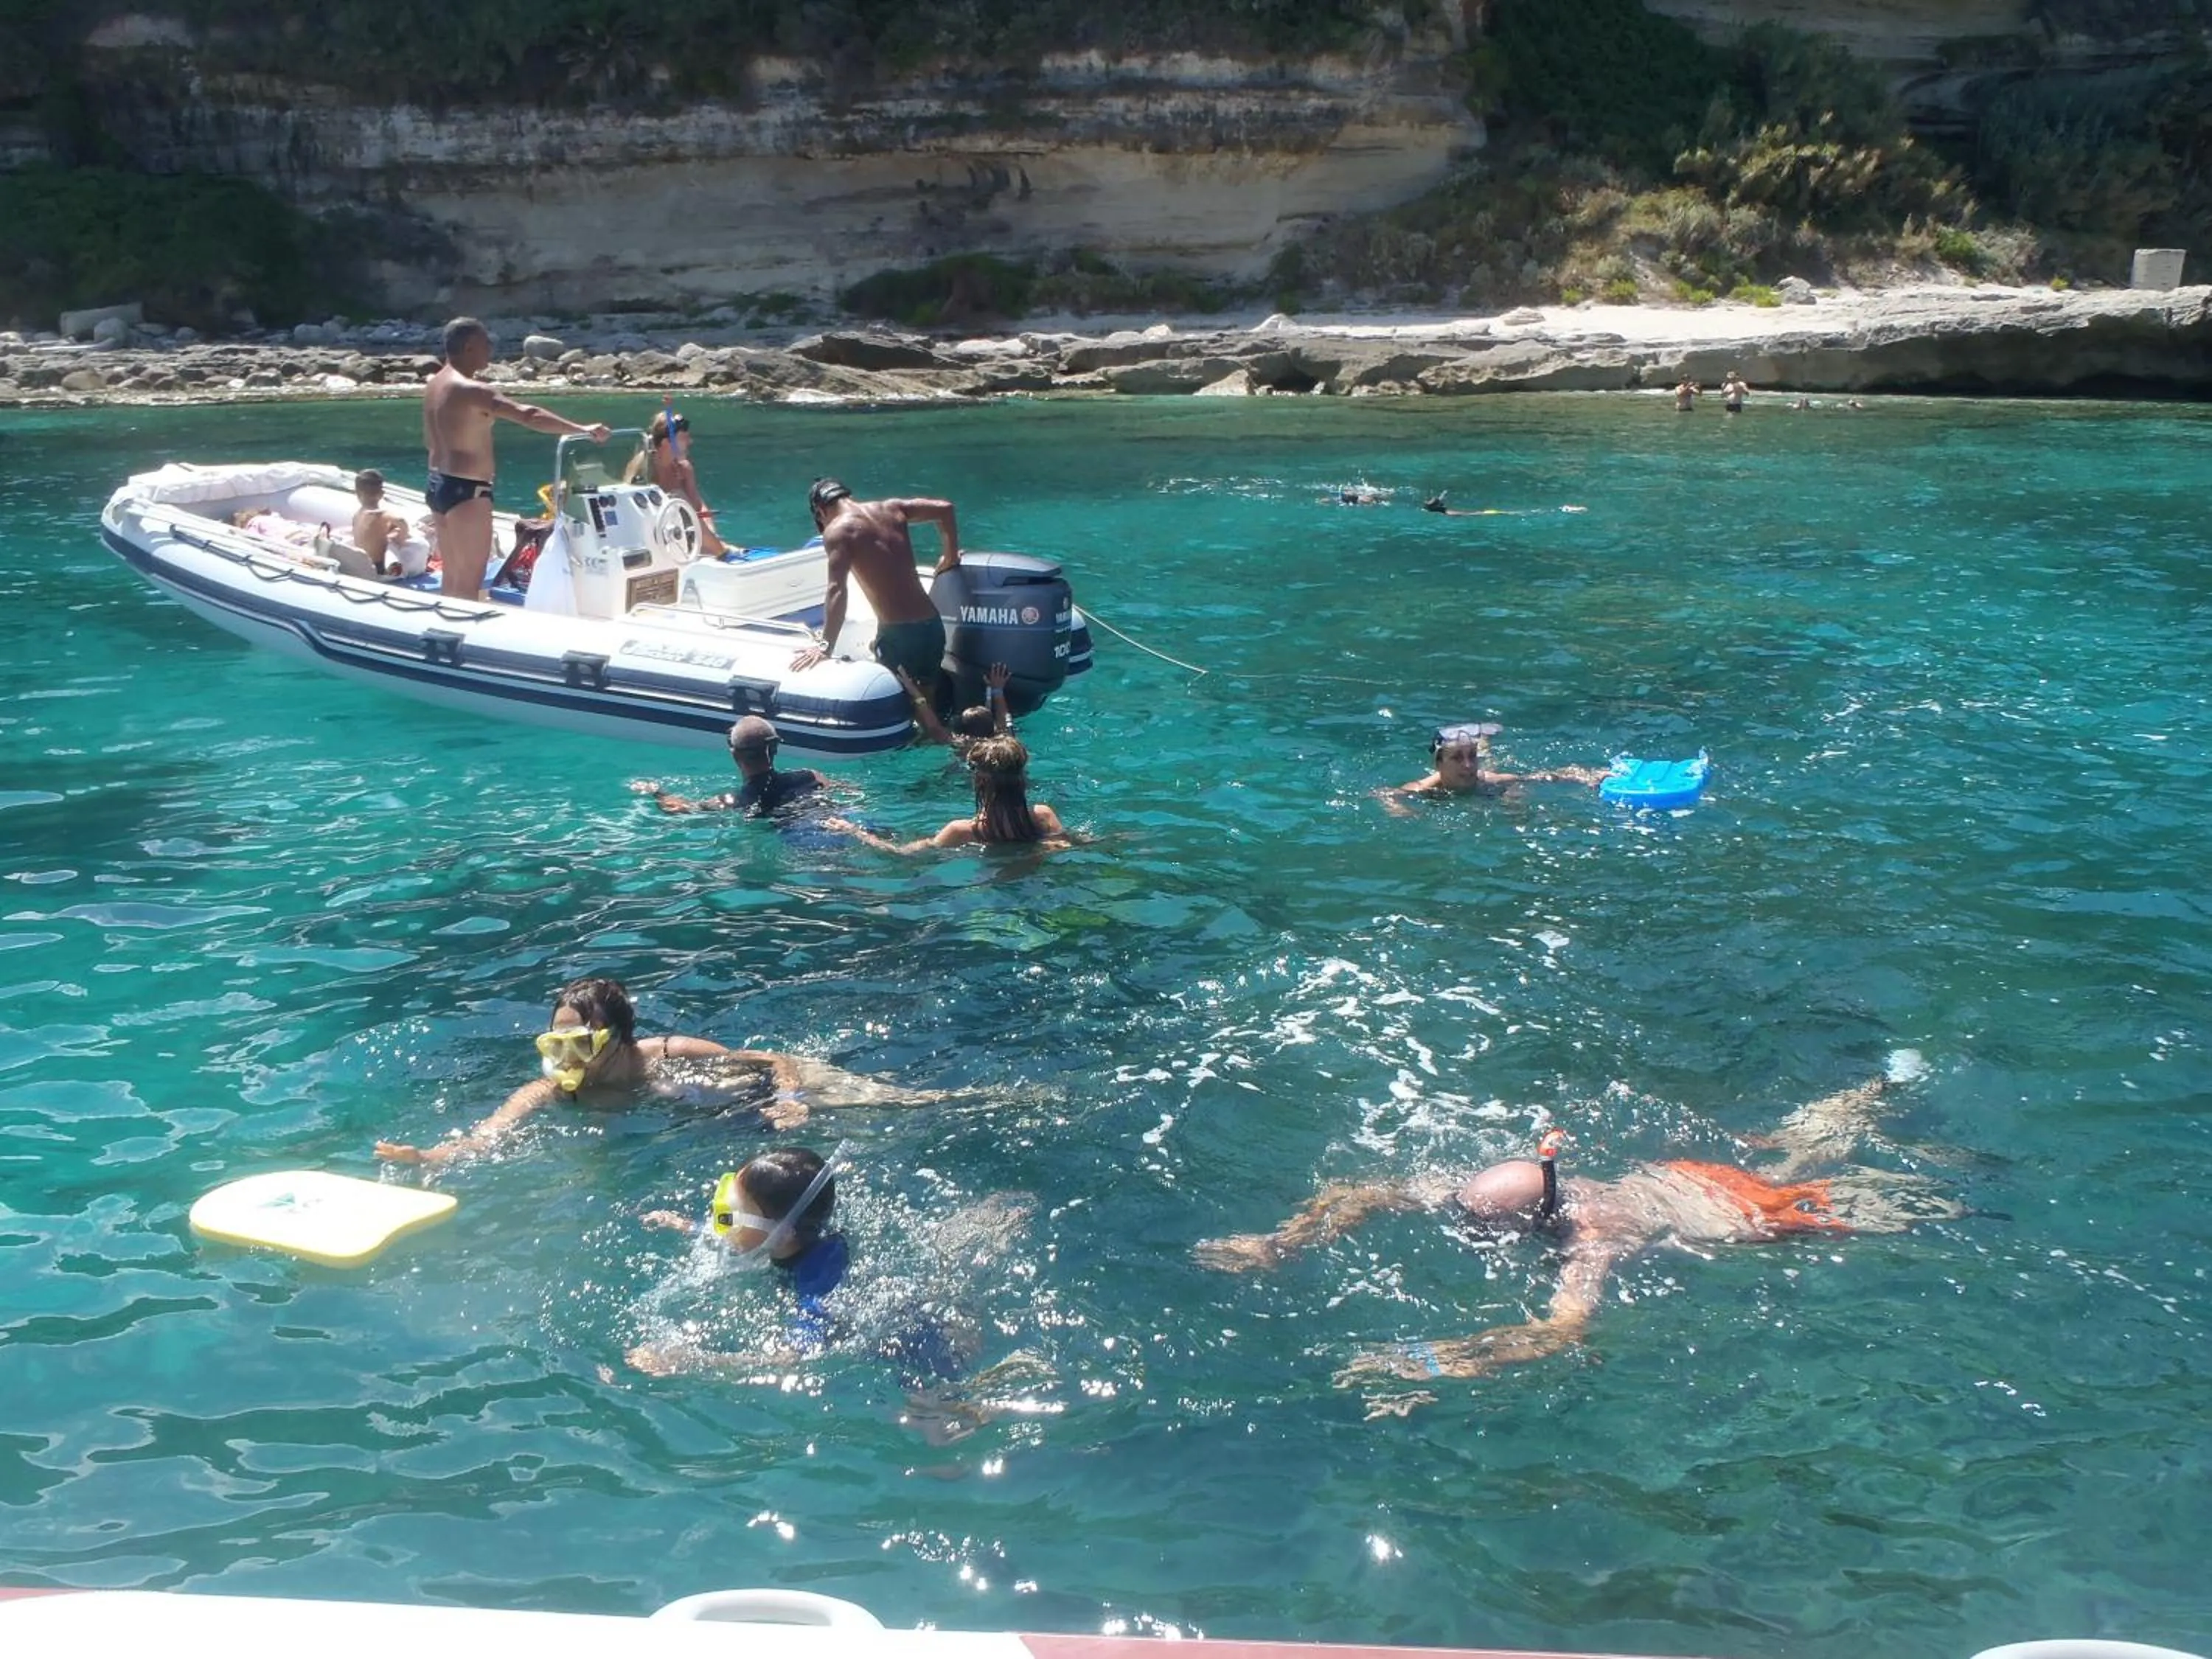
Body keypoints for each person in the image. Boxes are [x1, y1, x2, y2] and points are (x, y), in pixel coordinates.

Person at [1196, 1074, 1961, 1411]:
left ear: (1535, 1216)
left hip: (1741, 1222)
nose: (1470, 1228)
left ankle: (1917, 1150)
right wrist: (1279, 1242)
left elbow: (1562, 1334)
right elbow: (1362, 1189)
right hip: (1686, 1174)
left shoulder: (1595, 1236)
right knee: (1782, 1161)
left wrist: (1425, 1361)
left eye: (1483, 1229)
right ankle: (1870, 1095)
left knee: (1853, 1202)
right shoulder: (1521, 1182)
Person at [372, 977, 819, 1165]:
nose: (570, 1058)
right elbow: (490, 1135)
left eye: (582, 1043)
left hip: (764, 1099)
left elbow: (775, 1061)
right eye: (557, 1044)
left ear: (619, 1038)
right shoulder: (556, 1090)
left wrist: (790, 1101)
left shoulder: (670, 1053)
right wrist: (431, 1157)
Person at [422, 316, 611, 600]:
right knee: (469, 583)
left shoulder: (435, 386)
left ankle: (441, 635)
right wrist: (580, 429)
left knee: (453, 576)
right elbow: (527, 414)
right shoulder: (471, 390)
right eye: (486, 343)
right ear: (470, 346)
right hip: (467, 492)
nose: (490, 350)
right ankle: (461, 640)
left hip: (438, 484)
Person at [786, 480, 961, 712]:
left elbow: (836, 590)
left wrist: (825, 646)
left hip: (900, 636)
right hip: (931, 626)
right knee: (927, 703)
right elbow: (945, 508)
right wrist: (950, 556)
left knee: (900, 707)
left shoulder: (838, 531)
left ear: (820, 511)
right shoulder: (891, 508)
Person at [827, 735, 1069, 852]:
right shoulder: (1043, 817)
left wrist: (855, 832)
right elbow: (1066, 847)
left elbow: (903, 855)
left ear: (980, 781)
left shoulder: (963, 831)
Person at [1379, 723, 1605, 815]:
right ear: (1438, 764)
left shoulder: (1489, 780)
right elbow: (1383, 793)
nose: (1468, 765)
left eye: (1471, 756)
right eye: (1457, 758)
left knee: (1489, 768)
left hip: (1486, 781)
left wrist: (1588, 776)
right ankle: (1484, 739)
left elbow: (1542, 776)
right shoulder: (1425, 789)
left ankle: (1484, 741)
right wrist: (1398, 809)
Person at [634, 716, 827, 818]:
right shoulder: (812, 776)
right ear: (775, 749)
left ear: (735, 755)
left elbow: (677, 808)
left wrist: (656, 792)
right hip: (830, 821)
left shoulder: (733, 801)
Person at [642, 409, 728, 557]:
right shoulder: (644, 470)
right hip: (660, 541)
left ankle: (717, 548)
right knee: (677, 496)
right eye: (684, 438)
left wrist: (711, 532)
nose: (690, 442)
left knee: (680, 497)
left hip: (690, 537)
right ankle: (719, 551)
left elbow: (699, 506)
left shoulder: (683, 468)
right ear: (666, 442)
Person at [901, 662, 1012, 750]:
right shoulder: (1000, 741)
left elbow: (934, 727)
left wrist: (914, 692)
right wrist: (998, 690)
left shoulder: (962, 743)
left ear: (963, 731)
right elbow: (1003, 719)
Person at [349, 470, 421, 577]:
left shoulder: (358, 515)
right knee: (420, 543)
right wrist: (402, 538)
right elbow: (401, 521)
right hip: (379, 567)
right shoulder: (382, 515)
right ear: (382, 494)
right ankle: (394, 567)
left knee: (391, 533)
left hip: (362, 564)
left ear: (357, 493)